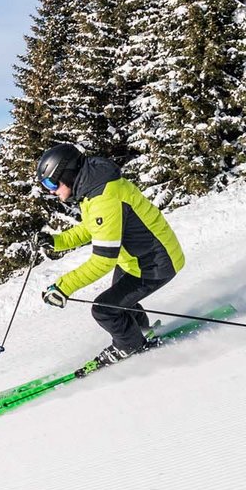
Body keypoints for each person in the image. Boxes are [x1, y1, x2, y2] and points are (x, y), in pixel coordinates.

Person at [33, 143, 185, 365]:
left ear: (66, 174)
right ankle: (142, 331)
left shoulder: (104, 198)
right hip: (138, 260)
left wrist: (64, 287)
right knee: (121, 303)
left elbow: (103, 260)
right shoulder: (94, 188)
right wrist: (56, 241)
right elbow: (92, 227)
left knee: (104, 310)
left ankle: (130, 346)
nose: (50, 190)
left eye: (50, 182)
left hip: (155, 263)